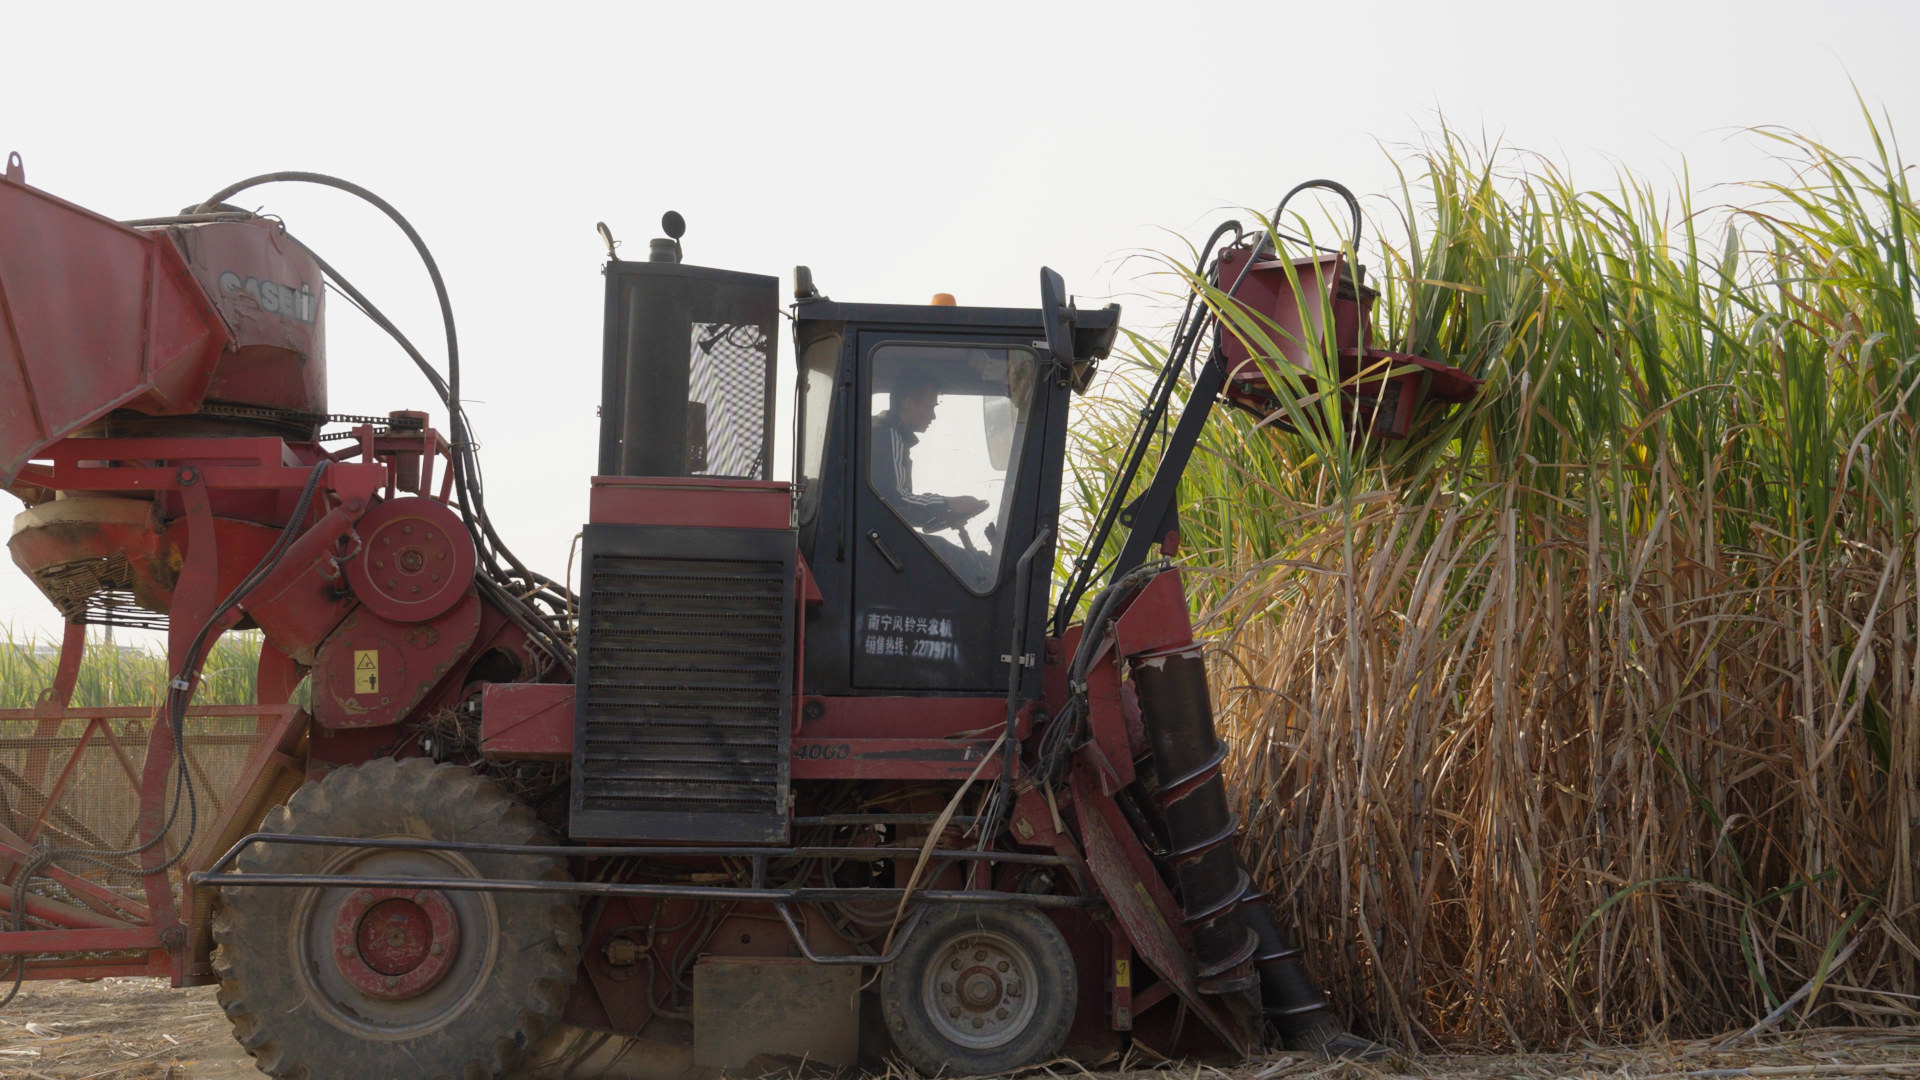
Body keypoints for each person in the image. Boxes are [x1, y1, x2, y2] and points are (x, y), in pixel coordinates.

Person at [871, 369, 989, 532]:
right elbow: (896, 504)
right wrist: (950, 503)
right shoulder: (889, 436)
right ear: (909, 403)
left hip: (876, 531)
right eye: (930, 407)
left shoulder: (882, 431)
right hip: (877, 535)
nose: (933, 416)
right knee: (962, 558)